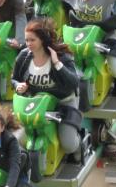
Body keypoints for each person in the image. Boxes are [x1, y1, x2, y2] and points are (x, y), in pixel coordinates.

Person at [11, 18, 81, 155]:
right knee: (16, 140)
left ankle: (80, 140)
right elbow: (14, 79)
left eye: (32, 40)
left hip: (63, 103)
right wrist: (18, 86)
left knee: (69, 146)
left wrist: (57, 64)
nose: (28, 44)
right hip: (37, 104)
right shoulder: (24, 56)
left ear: (42, 40)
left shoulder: (61, 56)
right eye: (26, 40)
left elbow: (74, 83)